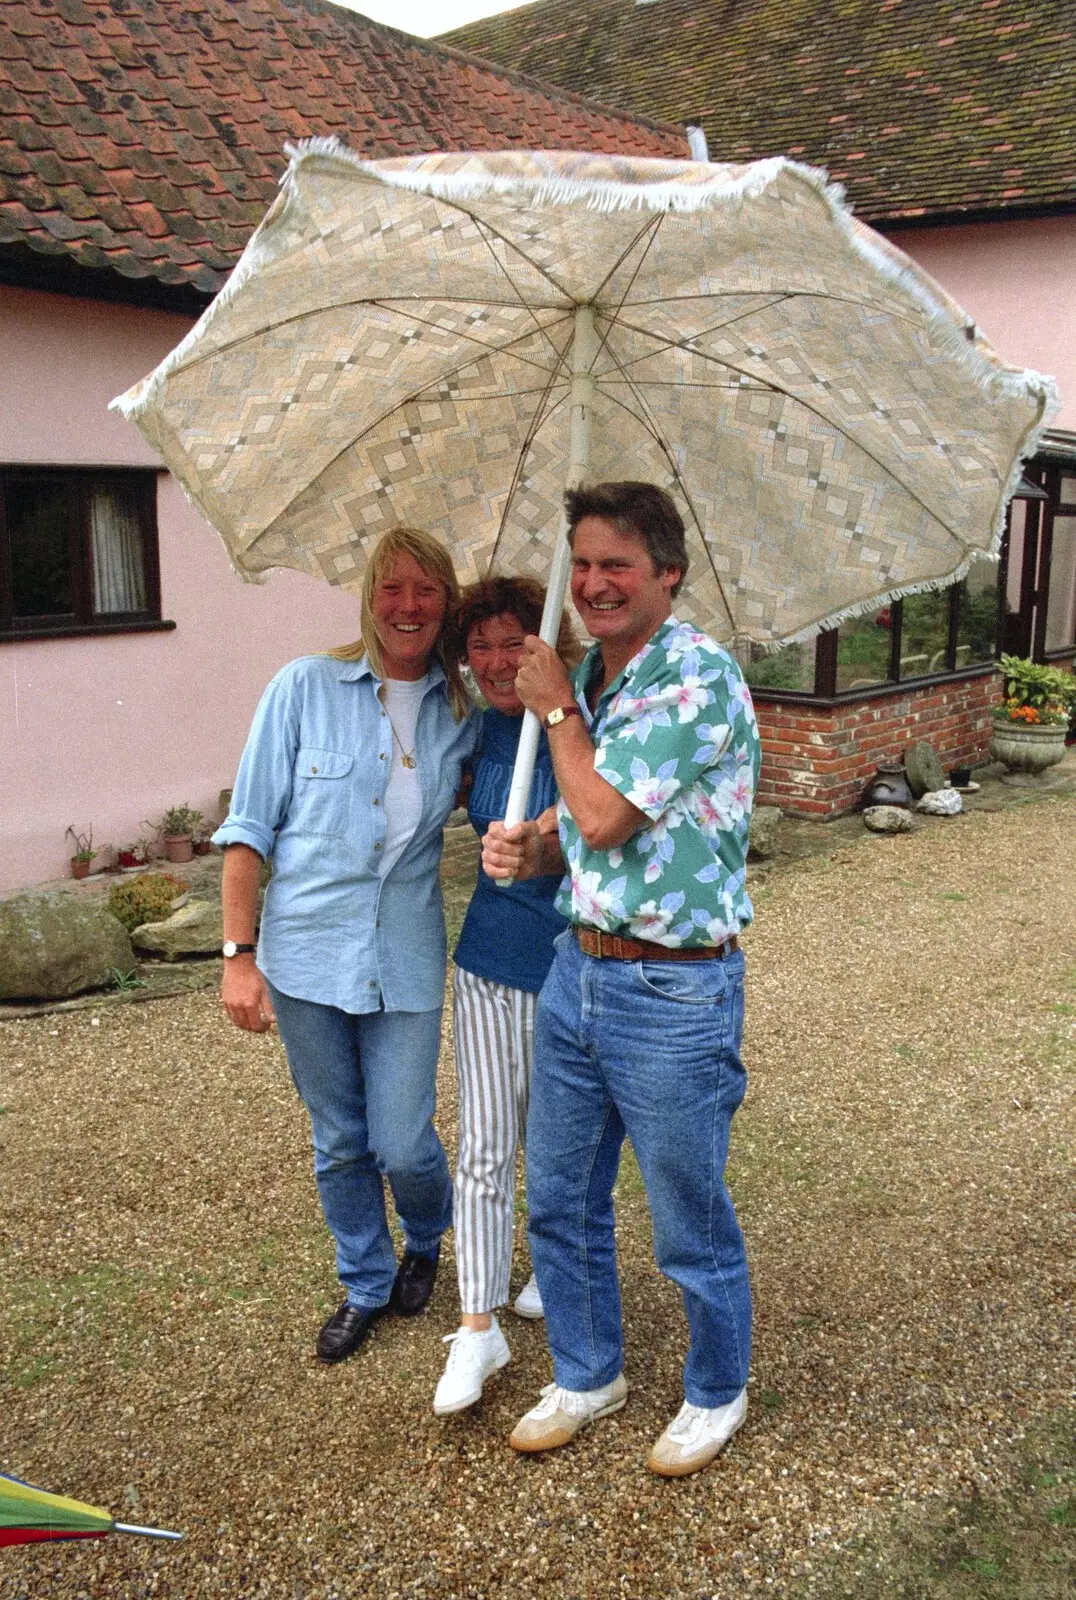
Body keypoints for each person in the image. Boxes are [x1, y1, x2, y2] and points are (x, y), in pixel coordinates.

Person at [482, 482, 762, 1478]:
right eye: (583, 563)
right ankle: (589, 1369)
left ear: (666, 576)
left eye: (617, 566)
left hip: (673, 995)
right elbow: (587, 842)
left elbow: (604, 815)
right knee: (558, 1197)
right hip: (580, 970)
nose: (594, 583)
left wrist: (551, 701)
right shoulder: (602, 678)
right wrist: (531, 849)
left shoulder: (696, 680)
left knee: (686, 1217)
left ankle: (715, 1389)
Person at [214, 526, 478, 1364]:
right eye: (393, 589)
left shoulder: (465, 714)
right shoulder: (303, 687)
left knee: (403, 1139)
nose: (408, 606)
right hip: (303, 956)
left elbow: (513, 795)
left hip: (403, 956)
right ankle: (364, 1281)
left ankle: (428, 1235)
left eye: (426, 591)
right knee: (340, 1139)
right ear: (369, 597)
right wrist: (238, 957)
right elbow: (248, 832)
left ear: (447, 605)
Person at [432, 577, 580, 1417]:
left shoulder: (576, 723)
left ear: (544, 644)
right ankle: (477, 1325)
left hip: (571, 965)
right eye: (478, 645)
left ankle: (556, 1274)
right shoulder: (481, 731)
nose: (494, 661)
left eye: (512, 643)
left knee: (564, 1147)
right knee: (487, 1148)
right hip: (487, 966)